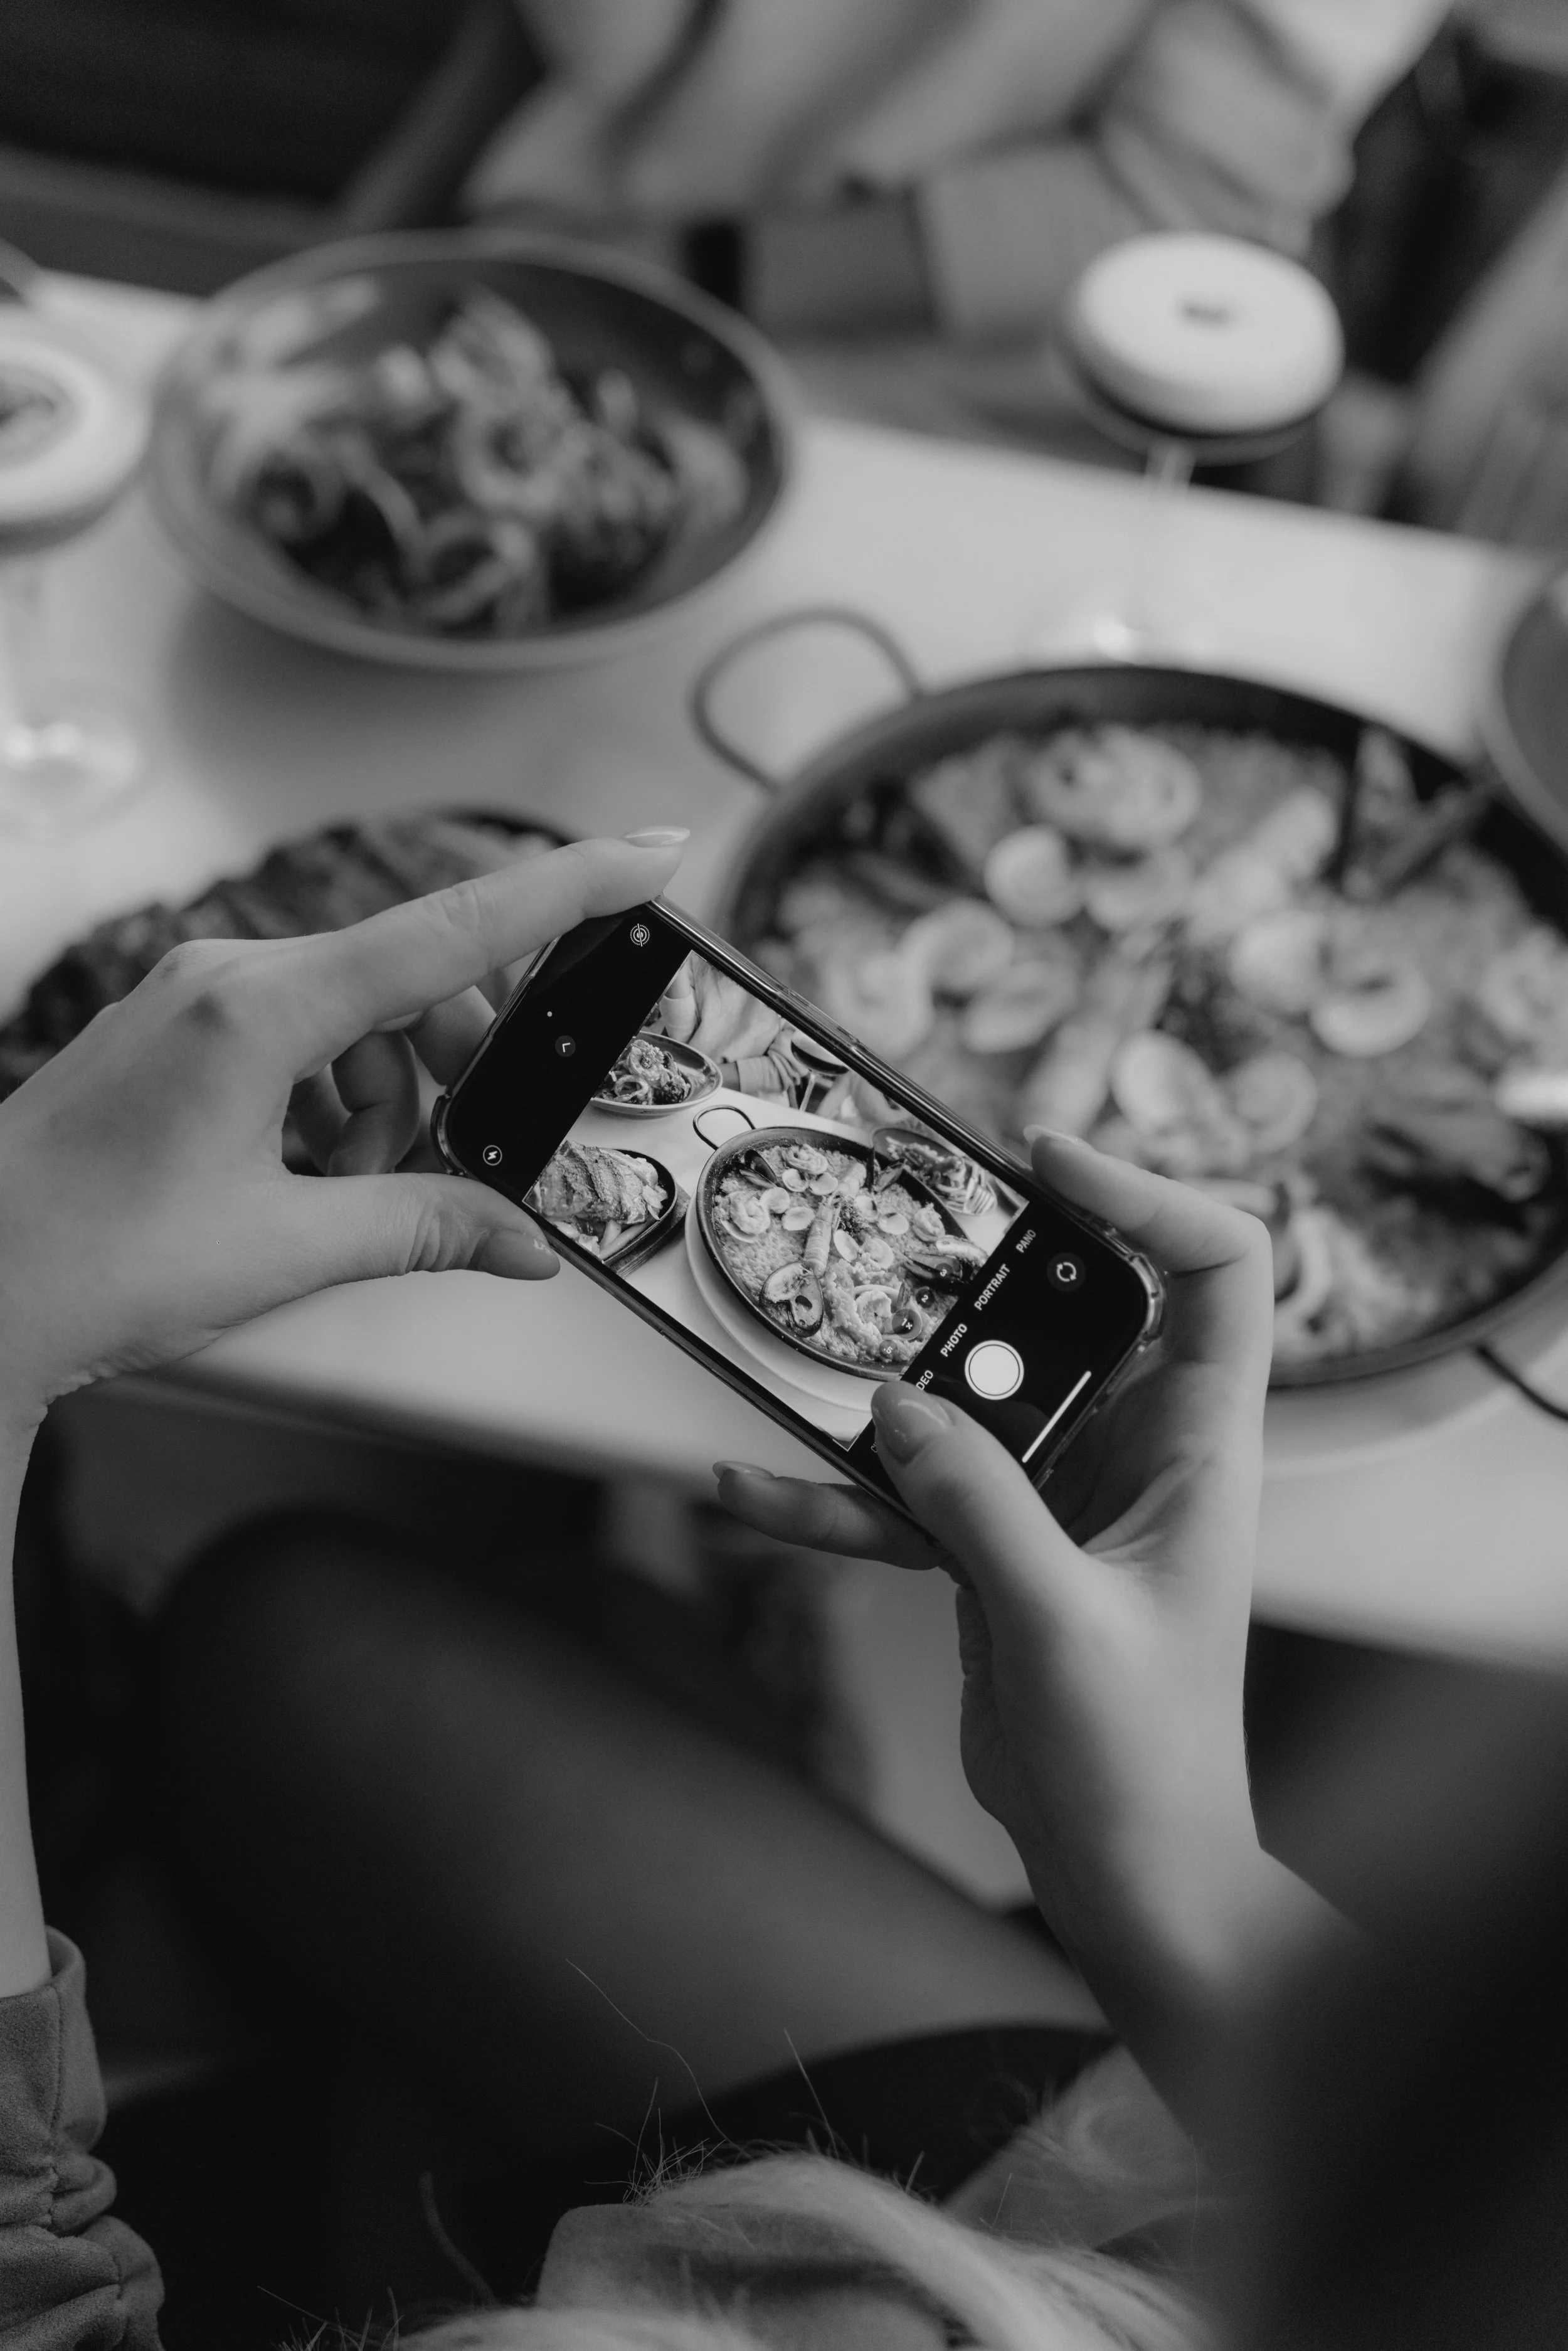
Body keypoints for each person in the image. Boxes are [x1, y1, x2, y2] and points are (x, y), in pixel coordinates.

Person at [0, 825, 1350, 2347]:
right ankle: (722, 1704)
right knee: (445, 1621)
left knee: (287, 1626)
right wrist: (1176, 1878)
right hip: (1136, 2231)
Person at [465, 0, 1450, 452]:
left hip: (957, 412)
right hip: (579, 233)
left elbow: (1160, 200)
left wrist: (681, 273)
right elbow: (612, 48)